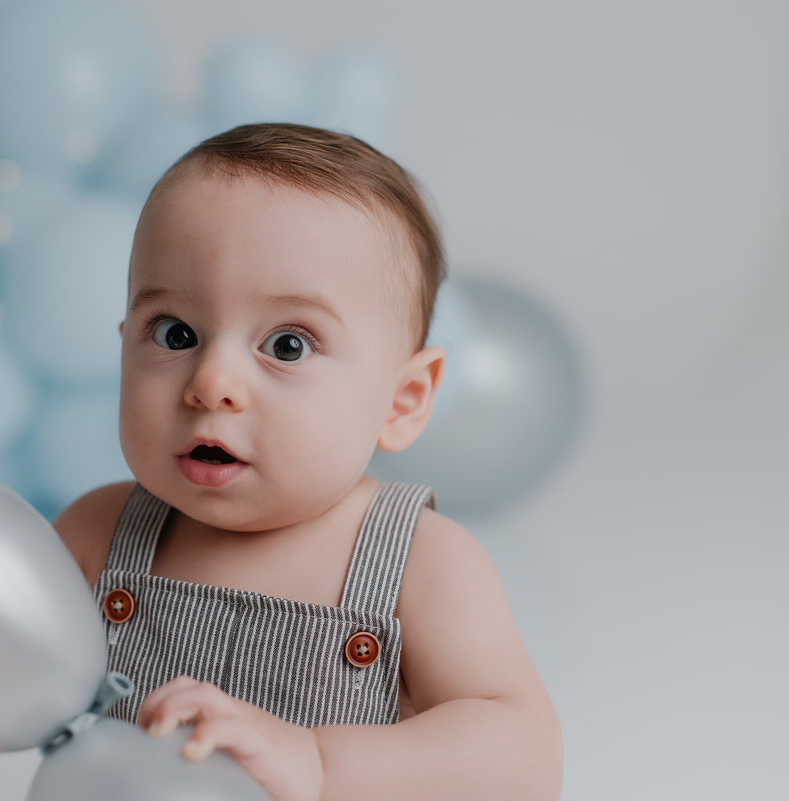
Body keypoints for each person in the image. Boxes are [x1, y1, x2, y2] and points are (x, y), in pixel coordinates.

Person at [53, 123, 562, 801]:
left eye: (287, 345)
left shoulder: (421, 562)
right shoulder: (98, 531)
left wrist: (320, 761)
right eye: (176, 333)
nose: (212, 382)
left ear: (402, 401)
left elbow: (524, 756)